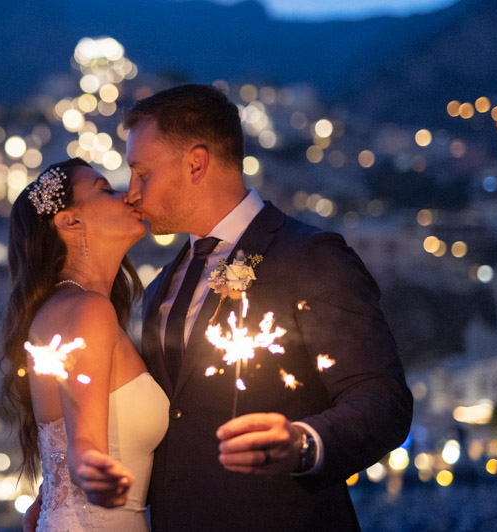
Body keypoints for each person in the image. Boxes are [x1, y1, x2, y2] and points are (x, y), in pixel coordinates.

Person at [108, 83, 413, 530]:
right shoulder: (159, 290)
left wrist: (305, 443)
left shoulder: (310, 256)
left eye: (142, 173)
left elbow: (383, 398)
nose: (132, 193)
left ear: (196, 163)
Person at [2, 158, 169, 531]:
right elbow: (84, 446)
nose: (128, 196)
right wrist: (87, 466)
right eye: (105, 190)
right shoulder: (89, 310)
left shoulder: (66, 309)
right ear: (70, 221)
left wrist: (53, 493)